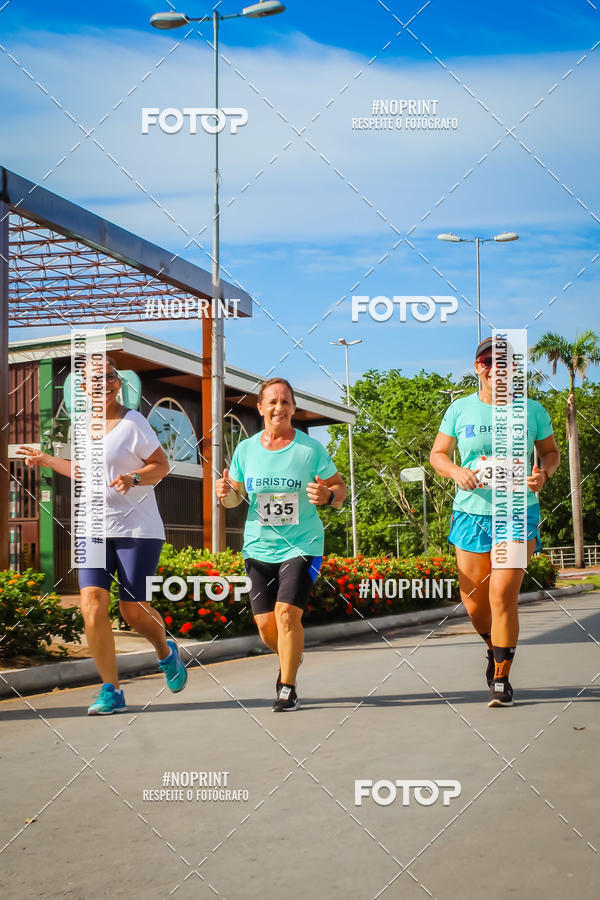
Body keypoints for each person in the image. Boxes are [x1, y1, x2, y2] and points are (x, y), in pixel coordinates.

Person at [19, 357, 188, 715]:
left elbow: (161, 465)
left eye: (110, 377)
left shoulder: (134, 422)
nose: (105, 384)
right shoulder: (82, 427)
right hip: (94, 527)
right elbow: (84, 471)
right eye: (96, 380)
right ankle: (111, 689)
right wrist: (47, 460)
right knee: (91, 602)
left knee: (133, 611)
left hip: (137, 529)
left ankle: (164, 649)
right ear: (84, 389)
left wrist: (134, 478)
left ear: (117, 381)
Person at [429, 336, 560, 707]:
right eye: (490, 362)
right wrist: (456, 472)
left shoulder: (533, 411)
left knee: (502, 592)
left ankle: (501, 680)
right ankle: (493, 647)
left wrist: (543, 475)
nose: (497, 369)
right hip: (471, 512)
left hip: (517, 510)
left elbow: (550, 453)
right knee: (473, 601)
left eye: (506, 363)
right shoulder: (460, 410)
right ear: (478, 368)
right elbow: (438, 454)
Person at [216, 377, 347, 711]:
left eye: (285, 401)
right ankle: (291, 656)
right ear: (260, 407)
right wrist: (226, 495)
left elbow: (339, 490)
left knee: (287, 613)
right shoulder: (245, 450)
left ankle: (287, 687)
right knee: (265, 626)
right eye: (272, 401)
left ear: (293, 407)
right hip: (258, 547)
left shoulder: (309, 449)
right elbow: (234, 498)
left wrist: (328, 495)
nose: (279, 407)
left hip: (302, 544)